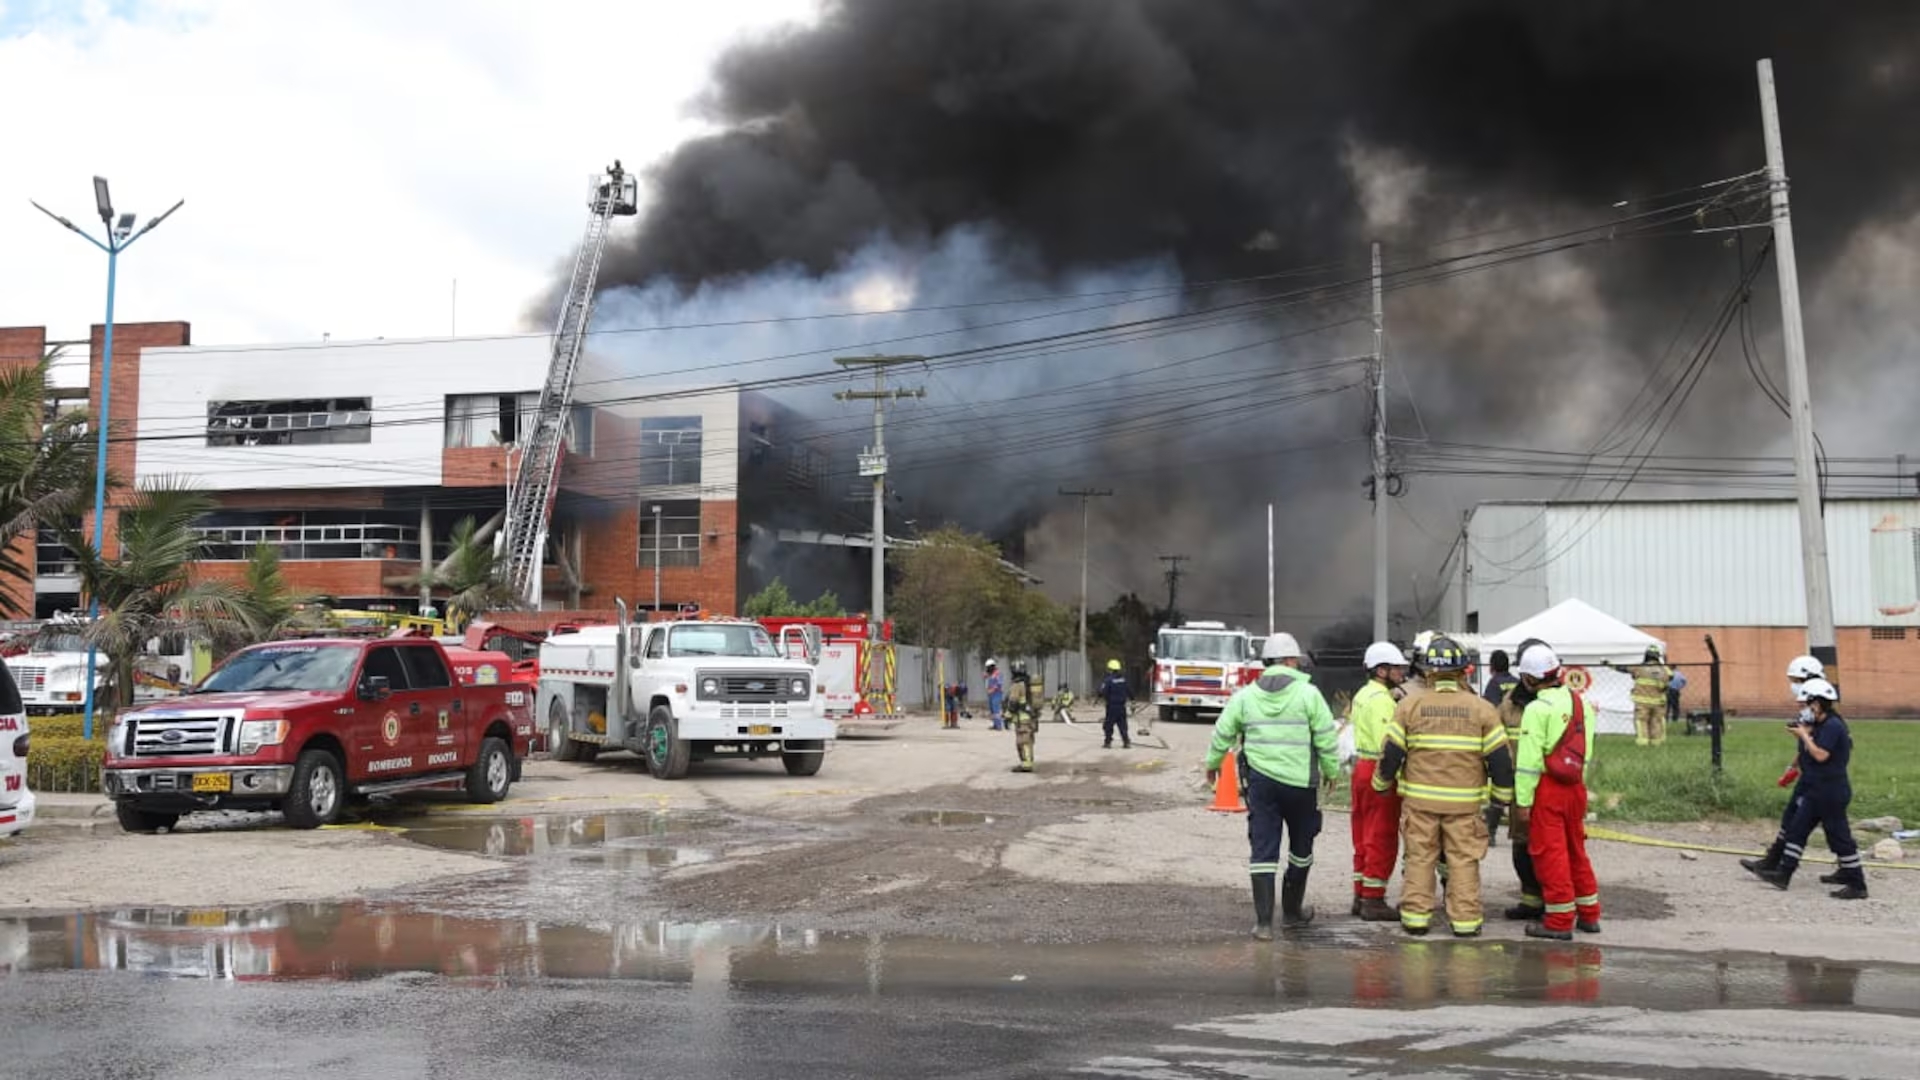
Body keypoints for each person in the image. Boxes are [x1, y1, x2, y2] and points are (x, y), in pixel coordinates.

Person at [1373, 635, 1515, 937]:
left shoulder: (1410, 706)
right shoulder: (1482, 709)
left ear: (1429, 671)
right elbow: (1501, 761)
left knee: (1420, 858)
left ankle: (1415, 918)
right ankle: (1465, 922)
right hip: (1464, 807)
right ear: (1464, 670)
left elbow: (1392, 754)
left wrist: (1381, 782)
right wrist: (1501, 798)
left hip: (1420, 804)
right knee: (1463, 861)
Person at [1205, 632, 1340, 939]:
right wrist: (1332, 771)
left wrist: (1212, 764)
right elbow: (1326, 737)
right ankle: (1292, 914)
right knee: (1301, 848)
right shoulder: (1309, 695)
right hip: (1301, 786)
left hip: (1262, 785)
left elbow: (1222, 732)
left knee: (1263, 849)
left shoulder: (1245, 696)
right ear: (1291, 661)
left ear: (1266, 662)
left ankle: (1264, 924)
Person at [1746, 678, 1866, 899]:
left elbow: (1821, 755)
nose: (1804, 709)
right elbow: (1808, 751)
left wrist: (1804, 735)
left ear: (1818, 704)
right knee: (1796, 830)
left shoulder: (1832, 725)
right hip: (1815, 789)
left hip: (1830, 791)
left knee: (1840, 837)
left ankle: (1858, 884)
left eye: (1807, 704)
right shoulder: (1820, 725)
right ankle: (1783, 874)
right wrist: (1802, 736)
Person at [1513, 643, 1601, 941]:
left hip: (1548, 789)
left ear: (1529, 679)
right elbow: (1584, 752)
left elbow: (1528, 763)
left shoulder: (1537, 709)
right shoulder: (1581, 703)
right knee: (1577, 851)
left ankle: (1560, 920)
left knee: (1551, 855)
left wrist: (1523, 802)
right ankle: (1589, 914)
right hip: (1575, 786)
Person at [1742, 655, 1831, 881]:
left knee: (1827, 828)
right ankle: (1773, 862)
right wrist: (1793, 765)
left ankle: (1781, 868)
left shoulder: (1824, 715)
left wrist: (1804, 741)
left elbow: (1820, 747)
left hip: (1821, 780)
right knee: (1792, 819)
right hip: (1809, 775)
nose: (1793, 686)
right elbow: (1805, 745)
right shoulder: (1808, 711)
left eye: (1797, 680)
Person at [1348, 641, 1409, 921]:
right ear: (1381, 670)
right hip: (1379, 770)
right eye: (1396, 668)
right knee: (1381, 836)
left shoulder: (1363, 694)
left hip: (1361, 766)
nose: (1401, 672)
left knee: (1362, 834)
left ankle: (1361, 894)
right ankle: (1374, 900)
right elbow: (1390, 742)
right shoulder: (1383, 701)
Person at [1495, 637, 1551, 921]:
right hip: (1520, 789)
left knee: (1552, 849)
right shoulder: (1510, 703)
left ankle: (1557, 903)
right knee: (1522, 847)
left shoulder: (1557, 702)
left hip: (1551, 787)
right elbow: (1496, 740)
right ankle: (1531, 900)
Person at [1619, 646, 1674, 747]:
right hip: (1658, 702)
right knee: (1656, 722)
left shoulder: (1639, 668)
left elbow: (1623, 669)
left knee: (1641, 721)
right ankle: (1656, 742)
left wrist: (1608, 664)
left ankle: (1643, 742)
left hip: (1642, 702)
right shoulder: (1663, 669)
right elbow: (1671, 676)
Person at [1007, 662, 1039, 773]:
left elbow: (1013, 703)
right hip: (1031, 717)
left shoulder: (1017, 685)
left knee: (1023, 741)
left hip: (1022, 718)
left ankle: (1026, 764)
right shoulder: (1028, 683)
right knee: (1029, 740)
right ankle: (1028, 762)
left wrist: (1007, 717)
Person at [1097, 659, 1131, 749]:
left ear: (1110, 669)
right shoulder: (1123, 680)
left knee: (1108, 725)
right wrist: (1132, 700)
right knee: (1123, 725)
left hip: (1112, 706)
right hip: (1122, 707)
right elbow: (1129, 691)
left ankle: (1108, 742)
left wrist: (1100, 695)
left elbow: (1103, 692)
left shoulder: (1108, 680)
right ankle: (1126, 742)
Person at [985, 659, 1005, 731]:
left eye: (988, 667)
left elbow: (999, 684)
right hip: (991, 694)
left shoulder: (998, 673)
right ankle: (995, 724)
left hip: (996, 694)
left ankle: (999, 726)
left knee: (996, 710)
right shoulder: (990, 674)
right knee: (992, 710)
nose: (987, 669)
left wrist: (992, 690)